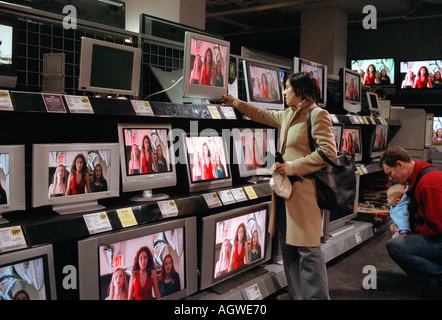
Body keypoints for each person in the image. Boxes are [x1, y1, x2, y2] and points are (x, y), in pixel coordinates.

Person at [222, 71, 336, 300]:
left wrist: (293, 166)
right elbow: (261, 114)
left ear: (300, 91)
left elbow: (328, 152)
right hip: (285, 192)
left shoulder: (317, 115)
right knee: (288, 246)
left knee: (308, 250)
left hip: (305, 193)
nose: (283, 92)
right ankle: (297, 295)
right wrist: (236, 102)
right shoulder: (287, 115)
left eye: (287, 88)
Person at [379, 146, 442, 293]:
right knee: (392, 224)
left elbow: (437, 226)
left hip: (438, 238)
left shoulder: (428, 183)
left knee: (395, 246)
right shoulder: (421, 176)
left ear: (400, 164)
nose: (390, 178)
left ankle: (436, 279)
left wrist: (411, 233)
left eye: (390, 173)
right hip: (436, 235)